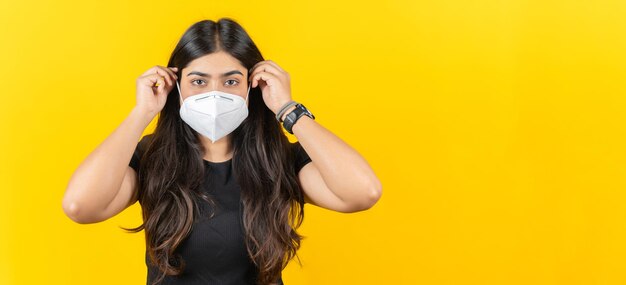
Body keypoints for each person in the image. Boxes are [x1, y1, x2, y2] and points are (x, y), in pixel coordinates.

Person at [62, 18, 382, 285]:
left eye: (230, 82)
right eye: (199, 82)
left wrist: (288, 109)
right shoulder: (152, 158)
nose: (214, 93)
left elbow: (362, 193)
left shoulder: (277, 159)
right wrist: (142, 113)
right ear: (177, 86)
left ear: (251, 85)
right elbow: (81, 206)